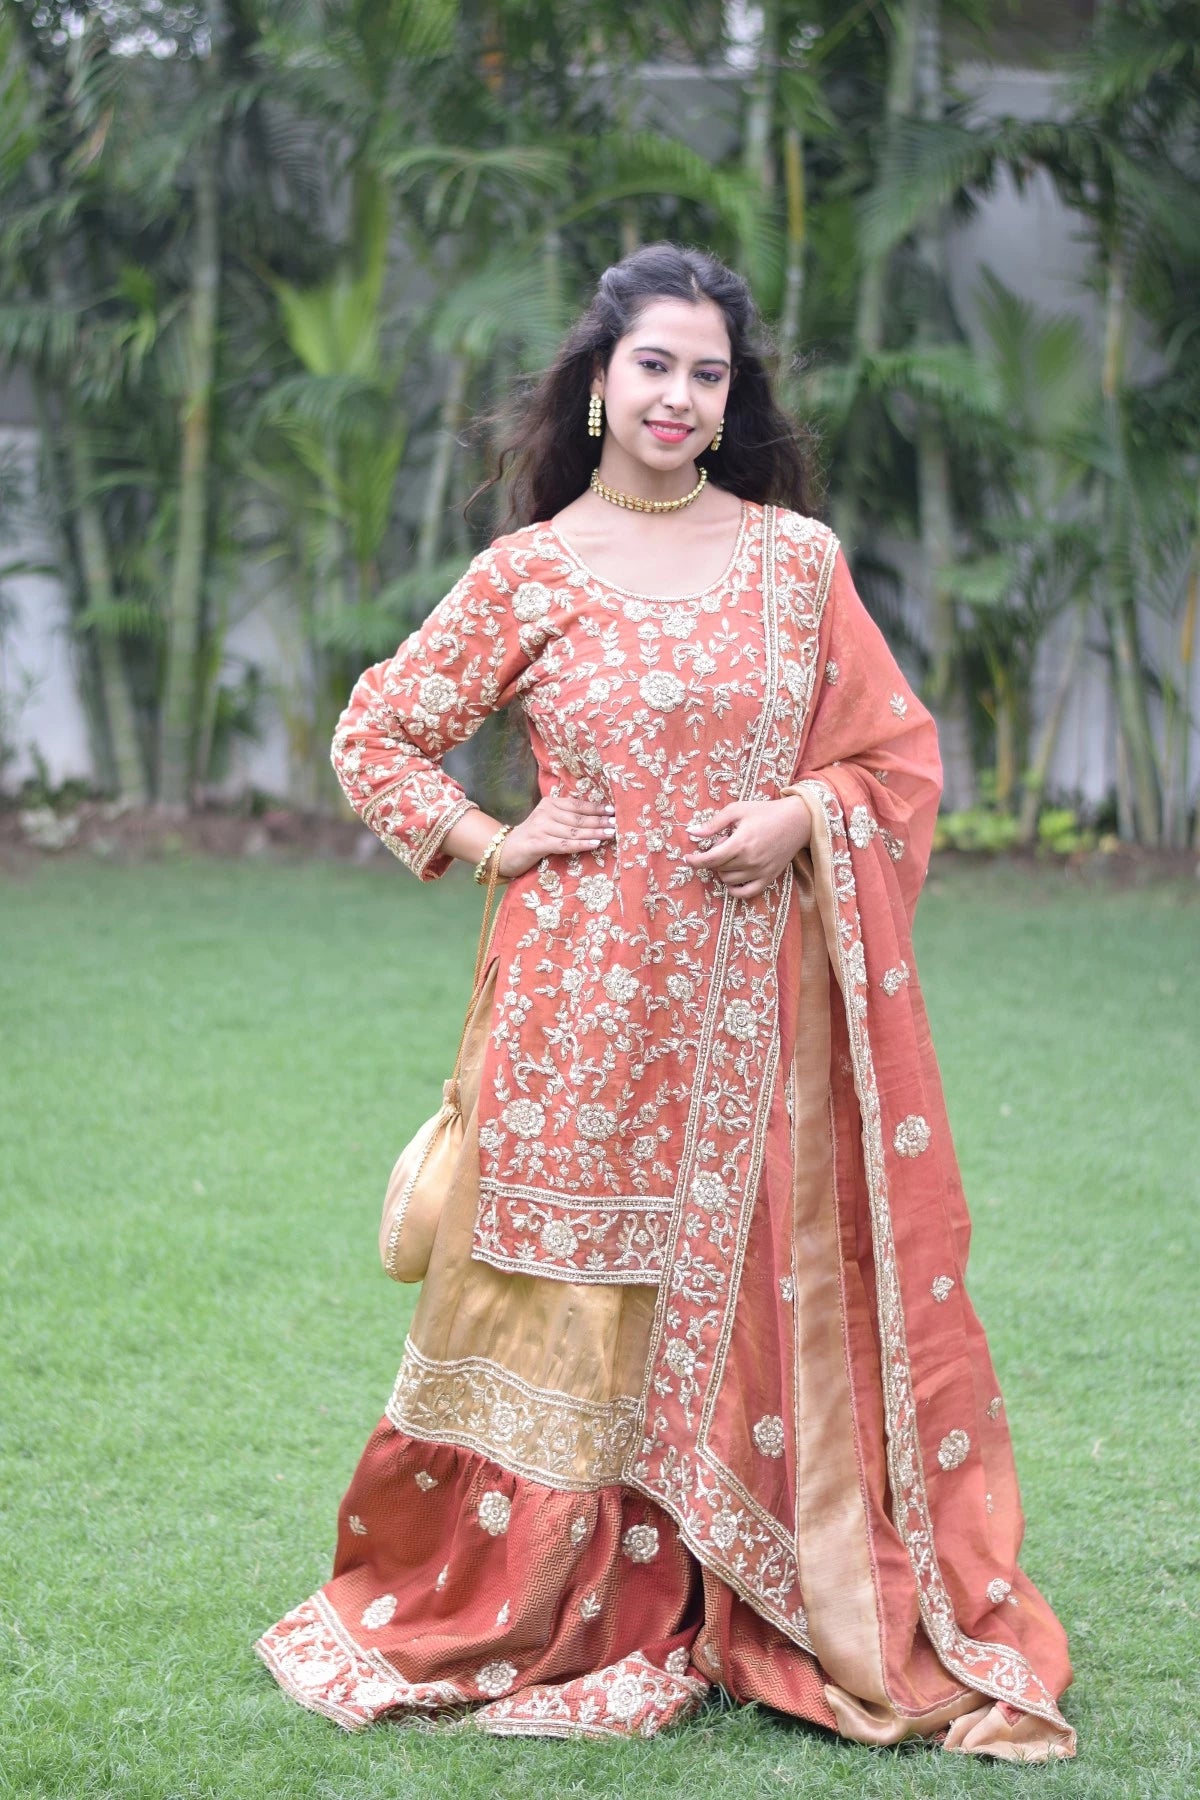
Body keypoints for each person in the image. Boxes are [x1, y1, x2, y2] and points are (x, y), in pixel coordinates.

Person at [255, 243, 1076, 1760]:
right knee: (563, 1292)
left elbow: (892, 765)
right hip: (572, 1008)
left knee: (744, 1281)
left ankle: (731, 1586)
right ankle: (551, 1600)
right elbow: (379, 734)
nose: (683, 396)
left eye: (710, 373)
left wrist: (801, 818)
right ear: (597, 387)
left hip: (756, 1013)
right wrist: (499, 840)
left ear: (730, 394)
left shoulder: (796, 559)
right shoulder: (533, 571)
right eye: (656, 366)